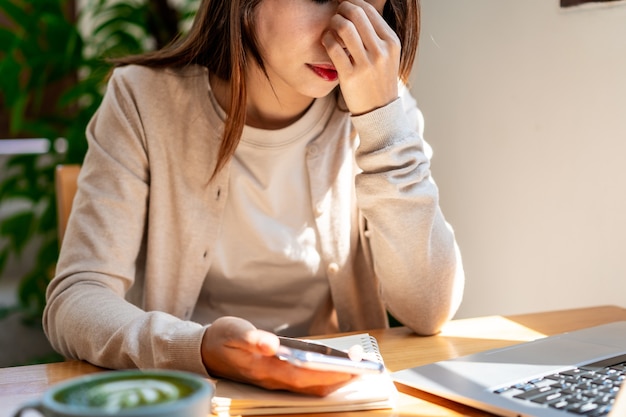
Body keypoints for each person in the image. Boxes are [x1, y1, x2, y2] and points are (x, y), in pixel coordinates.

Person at [43, 0, 464, 396]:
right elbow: (77, 299)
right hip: (191, 390)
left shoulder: (382, 108)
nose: (344, 32)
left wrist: (383, 124)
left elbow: (429, 310)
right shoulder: (143, 100)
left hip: (331, 394)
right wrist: (199, 347)